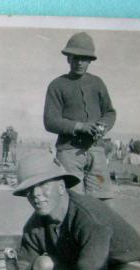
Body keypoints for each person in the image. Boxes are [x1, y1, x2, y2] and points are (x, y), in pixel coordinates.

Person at [43, 32, 116, 203]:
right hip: (69, 153)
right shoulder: (57, 85)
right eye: (75, 58)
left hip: (96, 151)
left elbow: (110, 112)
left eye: (84, 58)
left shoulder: (98, 83)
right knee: (71, 201)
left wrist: (102, 126)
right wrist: (79, 127)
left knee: (103, 203)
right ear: (68, 58)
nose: (80, 62)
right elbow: (50, 121)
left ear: (90, 60)